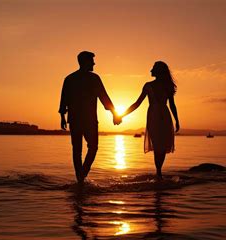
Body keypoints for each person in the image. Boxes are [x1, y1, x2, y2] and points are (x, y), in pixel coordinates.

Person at [59, 51, 121, 183]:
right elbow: (64, 99)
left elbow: (104, 97)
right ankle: (81, 176)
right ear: (85, 62)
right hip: (84, 120)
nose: (94, 63)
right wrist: (114, 114)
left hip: (80, 119)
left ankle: (81, 176)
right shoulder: (78, 79)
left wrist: (63, 117)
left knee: (82, 150)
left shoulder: (72, 78)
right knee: (87, 148)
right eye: (92, 60)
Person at [119, 61, 180, 180]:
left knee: (160, 146)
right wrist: (122, 115)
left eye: (153, 68)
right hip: (159, 116)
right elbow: (137, 104)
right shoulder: (150, 86)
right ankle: (159, 172)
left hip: (156, 115)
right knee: (159, 146)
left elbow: (172, 104)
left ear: (158, 71)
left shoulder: (159, 86)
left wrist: (177, 120)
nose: (150, 70)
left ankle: (158, 172)